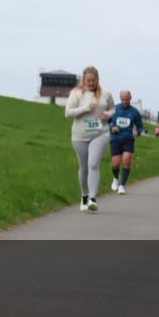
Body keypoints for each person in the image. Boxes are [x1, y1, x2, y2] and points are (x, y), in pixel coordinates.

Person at [65, 66, 115, 212]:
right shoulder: (76, 93)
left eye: (93, 80)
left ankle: (93, 199)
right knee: (84, 167)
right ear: (84, 79)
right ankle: (84, 196)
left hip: (100, 133)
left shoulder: (106, 94)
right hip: (79, 135)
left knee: (93, 164)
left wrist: (108, 114)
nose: (91, 83)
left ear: (98, 79)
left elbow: (113, 109)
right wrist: (86, 107)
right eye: (88, 80)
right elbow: (68, 113)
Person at [109, 90, 144, 194]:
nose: (124, 101)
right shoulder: (114, 109)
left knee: (126, 161)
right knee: (115, 164)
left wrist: (137, 132)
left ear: (130, 98)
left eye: (126, 99)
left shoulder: (134, 111)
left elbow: (140, 126)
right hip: (115, 139)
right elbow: (107, 121)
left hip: (128, 139)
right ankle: (116, 178)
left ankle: (122, 185)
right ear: (120, 99)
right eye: (122, 99)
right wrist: (112, 127)